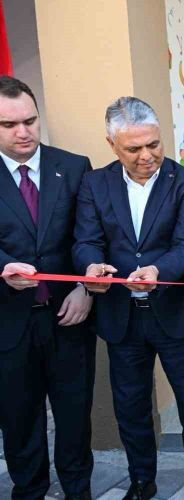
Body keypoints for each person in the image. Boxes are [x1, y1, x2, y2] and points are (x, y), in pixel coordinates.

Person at [73, 97, 184, 500]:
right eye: (133, 149)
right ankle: (141, 480)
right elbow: (86, 240)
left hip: (176, 315)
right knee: (131, 408)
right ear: (111, 145)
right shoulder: (94, 183)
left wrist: (160, 272)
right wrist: (91, 268)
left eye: (153, 144)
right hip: (121, 316)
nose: (147, 156)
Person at [0, 76, 95, 500]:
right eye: (8, 125)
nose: (23, 132)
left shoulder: (74, 166)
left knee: (75, 416)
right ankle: (30, 490)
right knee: (19, 419)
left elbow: (90, 236)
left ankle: (78, 490)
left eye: (30, 120)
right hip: (9, 322)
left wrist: (84, 287)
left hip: (69, 317)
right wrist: (3, 267)